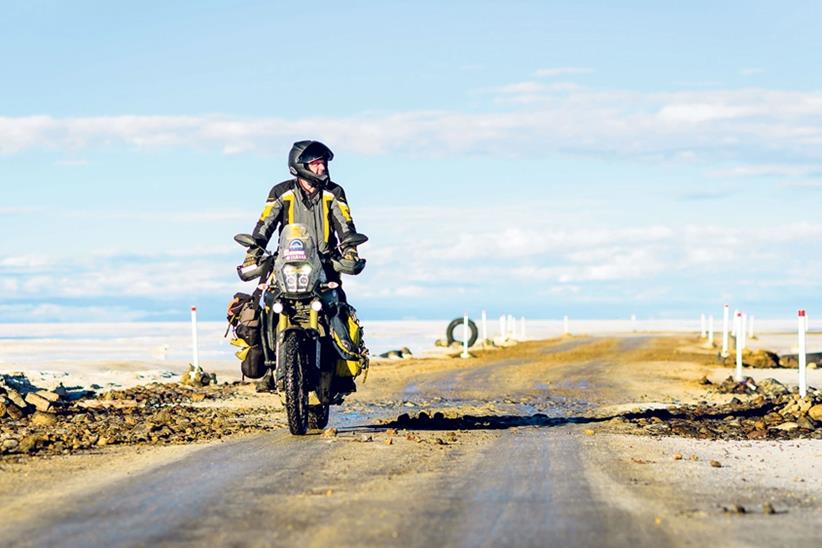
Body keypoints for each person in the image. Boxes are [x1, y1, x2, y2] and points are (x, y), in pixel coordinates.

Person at [243, 140, 367, 390]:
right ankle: (269, 366)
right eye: (317, 163)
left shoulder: (334, 193)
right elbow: (264, 225)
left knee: (337, 308)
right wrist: (253, 252)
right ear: (301, 166)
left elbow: (346, 226)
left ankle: (342, 373)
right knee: (262, 306)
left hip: (323, 264)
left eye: (323, 162)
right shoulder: (281, 192)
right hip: (285, 263)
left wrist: (350, 252)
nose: (322, 167)